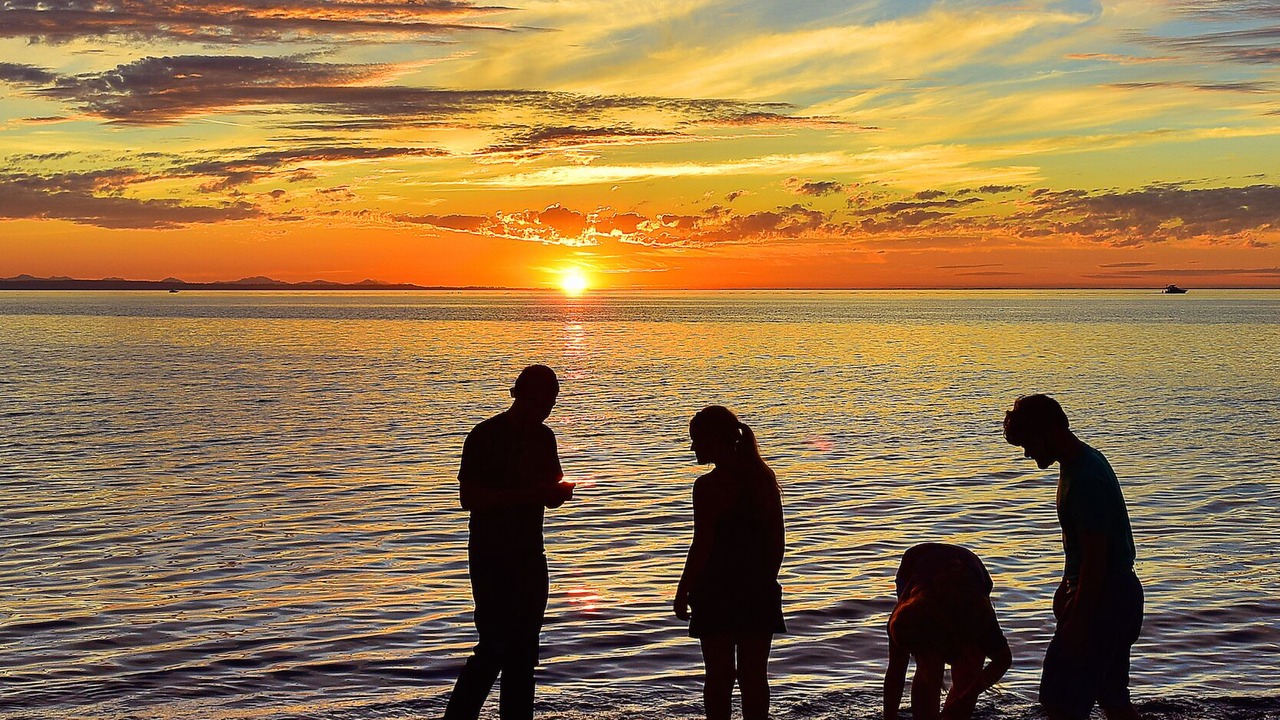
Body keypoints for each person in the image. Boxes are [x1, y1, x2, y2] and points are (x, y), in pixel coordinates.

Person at [443, 365, 576, 720]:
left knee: (524, 652)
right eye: (541, 402)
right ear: (521, 396)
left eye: (550, 403)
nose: (545, 410)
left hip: (530, 554)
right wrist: (529, 494)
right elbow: (469, 498)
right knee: (493, 648)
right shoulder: (485, 435)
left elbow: (548, 491)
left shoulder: (544, 437)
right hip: (490, 555)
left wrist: (556, 495)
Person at [1003, 394, 1144, 720]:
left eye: (1029, 443)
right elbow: (1085, 552)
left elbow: (1096, 559)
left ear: (1049, 431)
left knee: (1060, 702)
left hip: (1104, 601)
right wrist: (1065, 584)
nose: (1027, 453)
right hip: (1118, 597)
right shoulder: (1085, 463)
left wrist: (1079, 619)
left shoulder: (1084, 479)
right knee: (1113, 700)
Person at [674, 406, 785, 720]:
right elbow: (778, 542)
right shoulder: (763, 478)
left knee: (718, 678)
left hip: (716, 591)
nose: (692, 448)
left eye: (696, 440)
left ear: (714, 440)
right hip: (759, 589)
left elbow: (702, 545)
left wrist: (683, 590)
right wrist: (764, 580)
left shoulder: (709, 486)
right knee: (755, 677)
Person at [883, 543, 1012, 720]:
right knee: (928, 667)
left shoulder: (977, 614)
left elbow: (1004, 659)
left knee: (968, 668)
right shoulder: (904, 620)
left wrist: (969, 696)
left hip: (971, 573)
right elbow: (896, 670)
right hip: (915, 565)